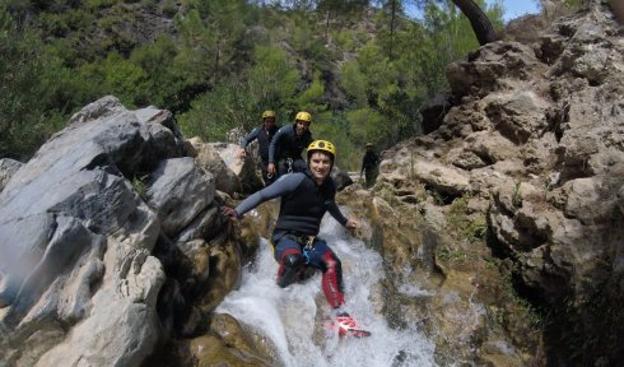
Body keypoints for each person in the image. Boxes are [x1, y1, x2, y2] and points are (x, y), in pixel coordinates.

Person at [223, 140, 370, 337]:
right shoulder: (295, 180)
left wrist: (344, 222)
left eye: (325, 162)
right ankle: (281, 285)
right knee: (294, 261)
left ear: (331, 164)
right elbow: (262, 195)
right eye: (316, 161)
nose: (320, 166)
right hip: (285, 237)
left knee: (333, 263)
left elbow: (330, 205)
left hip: (309, 240)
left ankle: (340, 315)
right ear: (309, 162)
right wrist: (237, 211)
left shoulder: (329, 186)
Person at [267, 111, 313, 178]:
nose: (302, 126)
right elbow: (273, 143)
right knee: (281, 176)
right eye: (300, 123)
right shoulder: (286, 130)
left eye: (305, 124)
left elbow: (312, 148)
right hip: (281, 158)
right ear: (296, 123)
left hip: (296, 159)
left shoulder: (307, 136)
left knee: (308, 173)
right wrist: (271, 162)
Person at [239, 110, 280, 186]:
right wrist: (242, 148)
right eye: (267, 121)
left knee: (280, 181)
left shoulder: (278, 131)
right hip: (265, 161)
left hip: (278, 160)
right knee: (268, 182)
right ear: (264, 121)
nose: (269, 124)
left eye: (271, 122)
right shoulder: (258, 131)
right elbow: (246, 139)